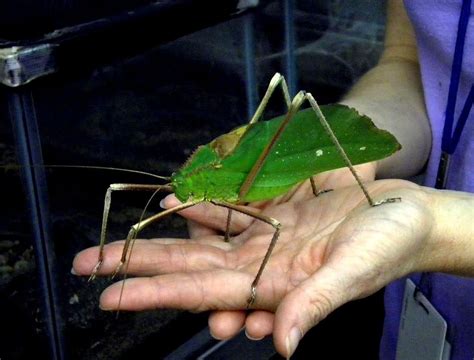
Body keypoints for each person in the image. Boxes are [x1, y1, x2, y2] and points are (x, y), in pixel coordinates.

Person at [72, 1, 474, 358]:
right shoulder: (192, 183)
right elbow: (407, 61)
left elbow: (273, 221)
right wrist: (331, 151)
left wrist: (438, 228)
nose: (180, 194)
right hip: (408, 315)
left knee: (289, 93)